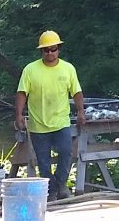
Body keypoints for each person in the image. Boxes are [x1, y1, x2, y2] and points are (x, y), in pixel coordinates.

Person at [15, 29, 85, 201]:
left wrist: (81, 111)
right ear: (41, 51)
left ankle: (61, 183)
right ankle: (51, 190)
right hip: (38, 124)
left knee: (66, 152)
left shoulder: (68, 69)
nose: (50, 53)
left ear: (58, 49)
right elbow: (22, 93)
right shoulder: (30, 69)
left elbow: (76, 91)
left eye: (53, 49)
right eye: (46, 50)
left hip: (61, 121)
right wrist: (18, 115)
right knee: (43, 161)